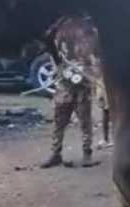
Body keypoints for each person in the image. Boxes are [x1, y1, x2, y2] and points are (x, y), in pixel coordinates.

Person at [41, 15, 102, 168]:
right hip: (66, 81)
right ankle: (56, 154)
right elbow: (50, 46)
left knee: (84, 120)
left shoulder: (89, 29)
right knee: (60, 120)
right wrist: (57, 67)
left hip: (82, 81)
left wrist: (93, 72)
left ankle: (86, 154)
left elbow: (97, 55)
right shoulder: (59, 27)